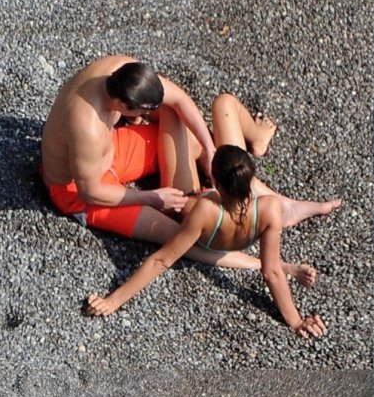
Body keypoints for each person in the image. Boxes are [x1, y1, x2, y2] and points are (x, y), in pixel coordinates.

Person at [41, 55, 339, 282]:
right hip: (76, 191)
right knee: (178, 234)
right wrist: (152, 198)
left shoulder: (122, 69)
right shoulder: (89, 128)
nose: (145, 117)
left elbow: (180, 100)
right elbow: (90, 191)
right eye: (142, 113)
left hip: (111, 153)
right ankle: (263, 263)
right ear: (121, 104)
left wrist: (211, 152)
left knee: (187, 128)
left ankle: (275, 199)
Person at [85, 92, 336, 337]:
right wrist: (295, 320)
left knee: (172, 113)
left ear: (213, 178)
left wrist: (114, 300)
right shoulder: (269, 209)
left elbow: (162, 260)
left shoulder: (204, 210)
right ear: (249, 178)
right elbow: (271, 272)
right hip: (233, 212)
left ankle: (136, 115)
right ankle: (257, 139)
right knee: (224, 102)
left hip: (191, 202)